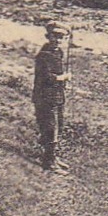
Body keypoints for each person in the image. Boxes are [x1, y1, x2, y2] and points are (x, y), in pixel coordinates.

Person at [33, 21, 72, 173]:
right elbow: (46, 77)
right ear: (47, 36)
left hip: (57, 96)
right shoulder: (43, 55)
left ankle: (51, 156)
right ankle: (48, 162)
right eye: (54, 36)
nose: (57, 40)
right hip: (45, 97)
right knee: (50, 128)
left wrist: (63, 83)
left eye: (61, 37)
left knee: (59, 125)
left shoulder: (58, 53)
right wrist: (63, 78)